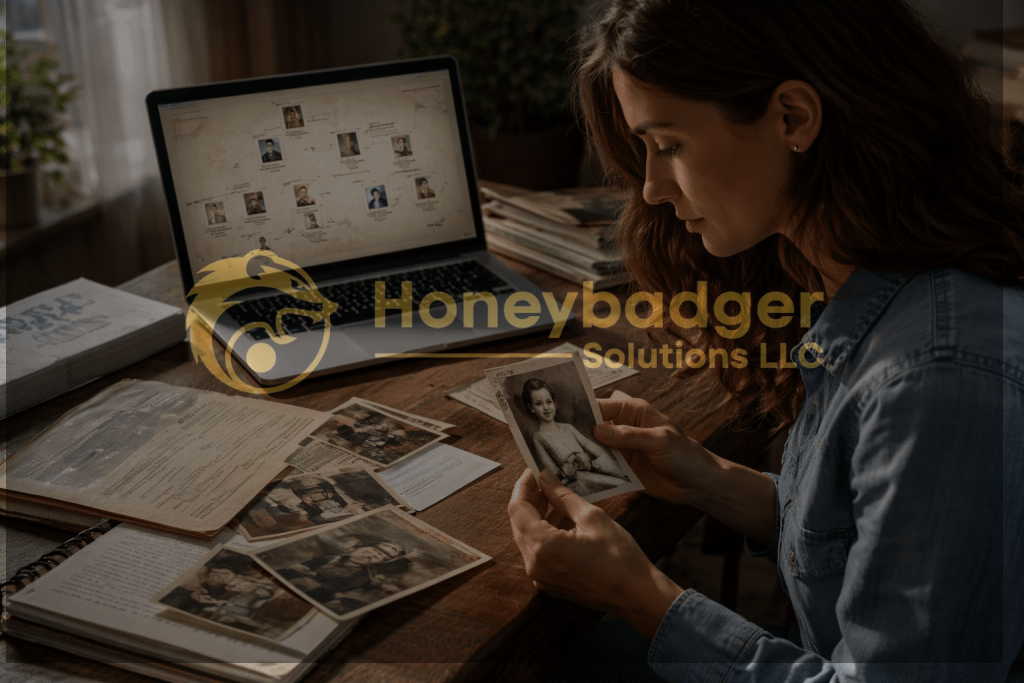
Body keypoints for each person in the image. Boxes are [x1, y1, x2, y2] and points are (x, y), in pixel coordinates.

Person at [506, 1, 1024, 681]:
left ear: (792, 118)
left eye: (668, 145)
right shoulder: (875, 291)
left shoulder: (938, 374)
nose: (655, 188)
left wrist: (643, 597)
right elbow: (872, 544)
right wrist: (707, 477)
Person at [521, 378, 626, 485]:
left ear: (554, 403)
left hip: (587, 462)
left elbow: (585, 443)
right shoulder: (538, 436)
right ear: (531, 408)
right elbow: (548, 463)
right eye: (539, 404)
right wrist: (559, 476)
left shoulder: (567, 427)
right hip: (573, 473)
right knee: (604, 480)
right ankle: (620, 482)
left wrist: (600, 456)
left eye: (549, 402)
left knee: (606, 464)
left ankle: (626, 476)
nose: (546, 407)